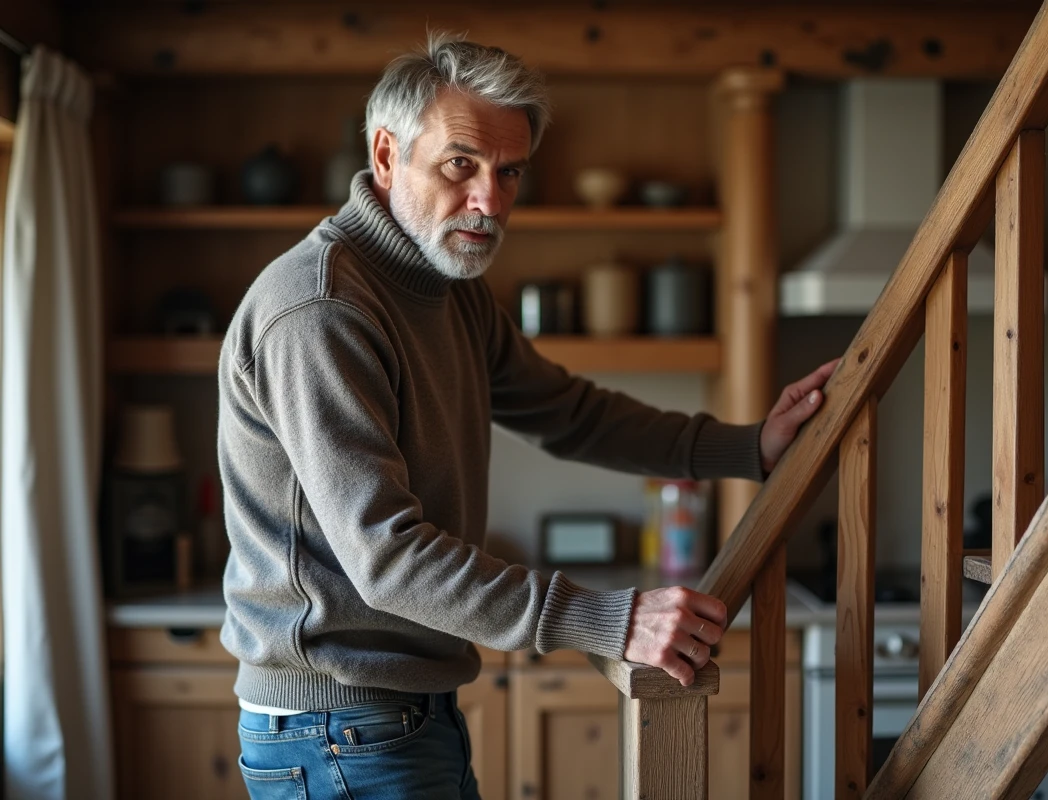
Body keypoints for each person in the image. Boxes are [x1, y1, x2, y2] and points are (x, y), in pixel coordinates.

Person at [218, 33, 837, 800]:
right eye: (460, 165)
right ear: (386, 155)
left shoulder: (447, 287)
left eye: (509, 172)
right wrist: (607, 619)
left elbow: (570, 414)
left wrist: (750, 448)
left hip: (396, 718)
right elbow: (388, 558)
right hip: (336, 730)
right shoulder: (321, 310)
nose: (490, 201)